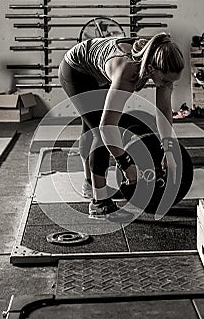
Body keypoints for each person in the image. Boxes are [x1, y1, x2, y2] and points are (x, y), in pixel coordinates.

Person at [58, 32, 184, 218]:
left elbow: (163, 110)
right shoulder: (128, 72)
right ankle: (99, 202)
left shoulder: (159, 61)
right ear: (150, 68)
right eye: (165, 80)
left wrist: (168, 149)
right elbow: (106, 127)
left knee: (92, 123)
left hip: (98, 69)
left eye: (172, 81)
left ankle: (89, 183)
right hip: (76, 71)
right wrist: (126, 165)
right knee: (100, 132)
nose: (167, 85)